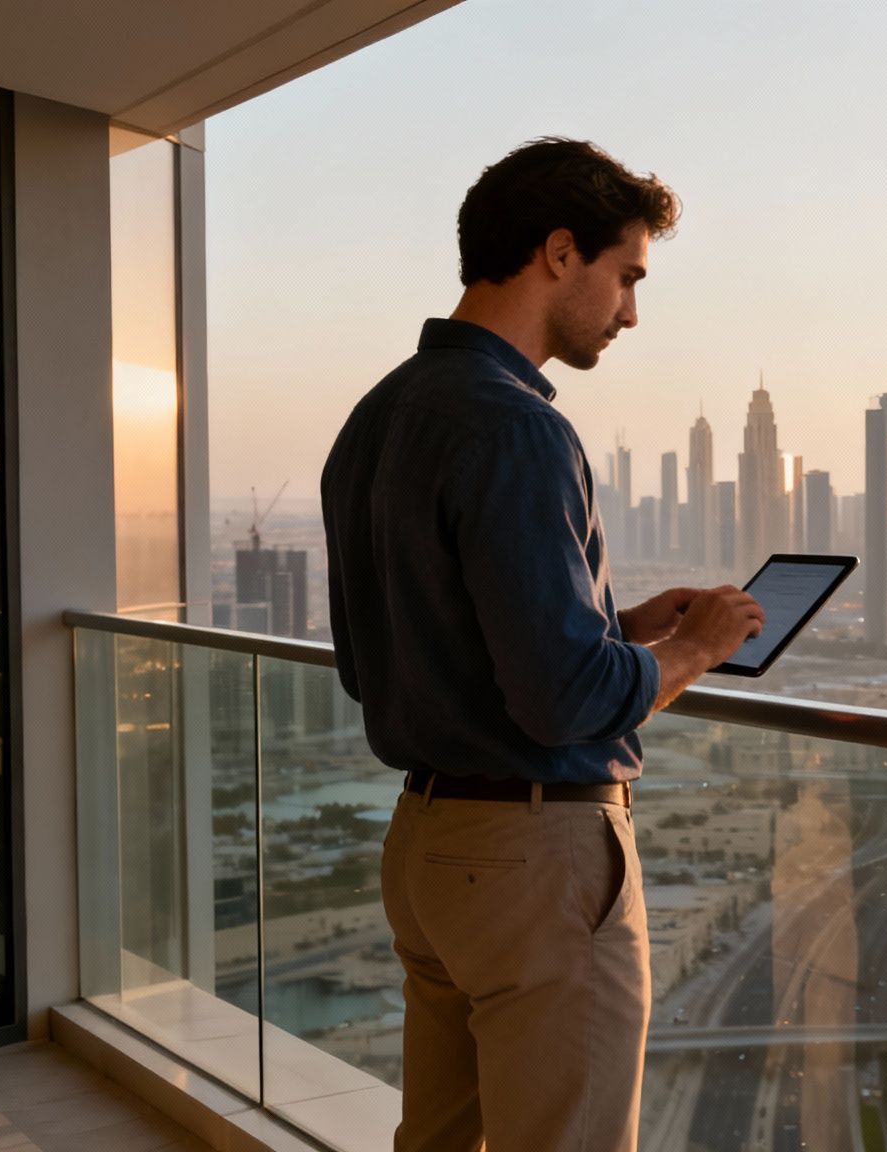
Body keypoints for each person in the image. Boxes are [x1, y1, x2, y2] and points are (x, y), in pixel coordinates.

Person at [321, 137, 763, 1152]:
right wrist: (693, 650)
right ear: (558, 253)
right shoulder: (516, 425)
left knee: (440, 1139)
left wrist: (618, 630)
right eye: (626, 276)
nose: (631, 312)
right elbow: (563, 701)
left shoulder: (378, 415)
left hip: (429, 847)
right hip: (534, 859)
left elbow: (382, 657)